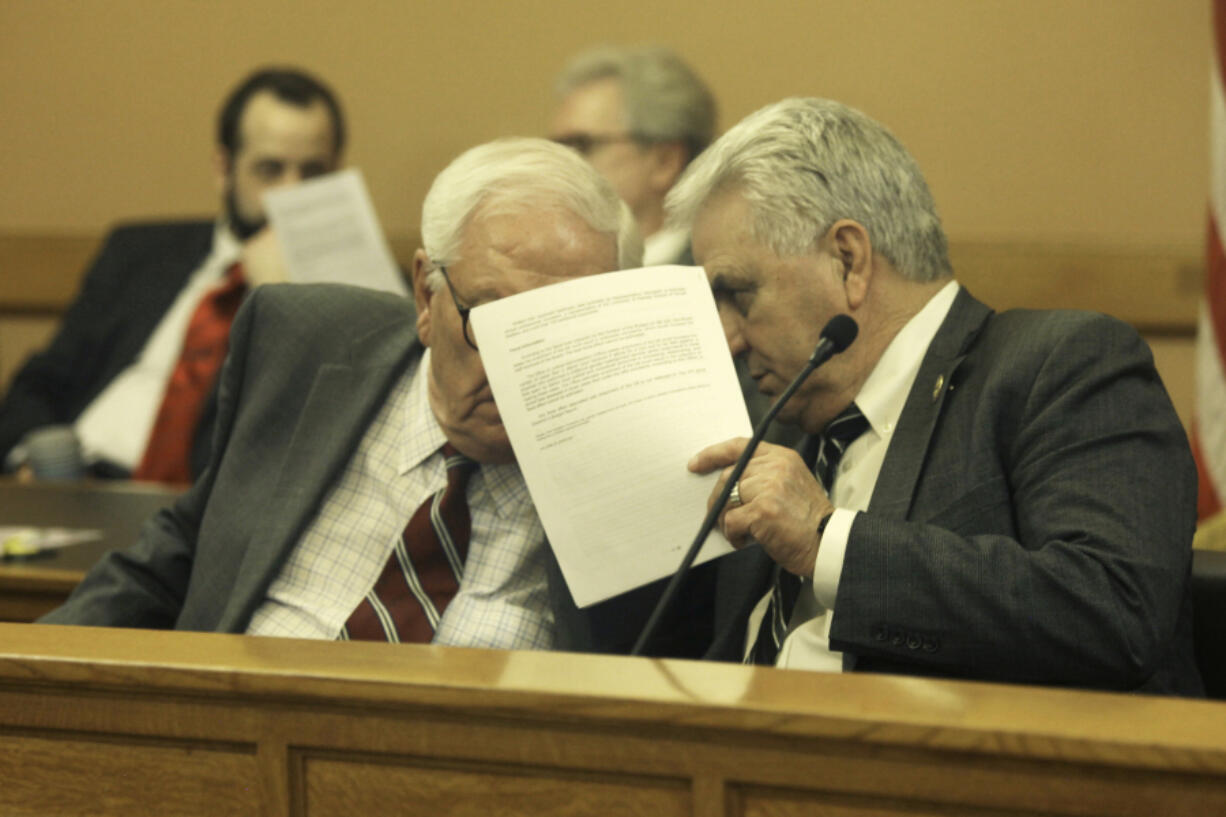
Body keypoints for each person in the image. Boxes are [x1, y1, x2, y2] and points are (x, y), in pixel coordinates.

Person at [39, 138, 707, 657]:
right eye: (491, 323)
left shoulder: (646, 458)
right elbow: (183, 550)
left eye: (557, 335)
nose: (514, 371)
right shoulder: (303, 347)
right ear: (426, 293)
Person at [670, 97, 1203, 695]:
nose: (725, 336)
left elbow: (1114, 613)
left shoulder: (1059, 367)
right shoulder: (779, 432)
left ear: (849, 261)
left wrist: (826, 541)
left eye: (737, 293)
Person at [0, 66, 345, 482]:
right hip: (76, 483)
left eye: (313, 173)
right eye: (270, 170)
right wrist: (28, 461)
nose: (291, 193)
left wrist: (289, 297)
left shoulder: (357, 288)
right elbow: (44, 380)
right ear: (224, 169)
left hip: (198, 512)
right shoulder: (139, 253)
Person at [550, 45, 715, 266]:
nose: (560, 165)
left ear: (664, 161)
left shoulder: (715, 277)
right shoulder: (552, 270)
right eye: (557, 147)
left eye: (581, 145)